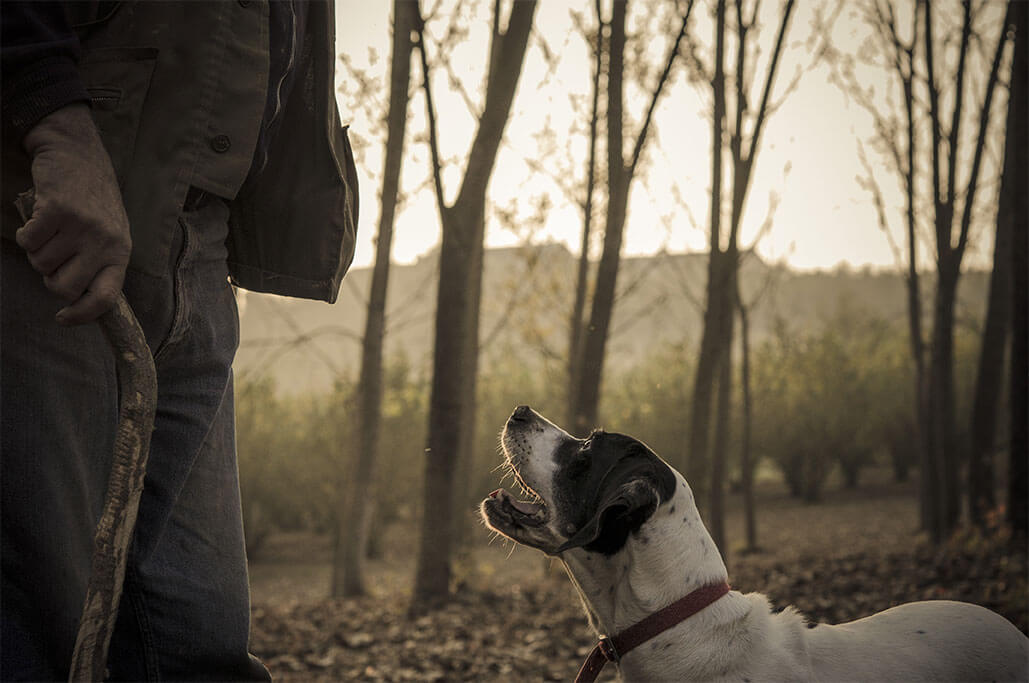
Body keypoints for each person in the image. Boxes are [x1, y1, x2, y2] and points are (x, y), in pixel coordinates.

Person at [0, 2, 359, 679]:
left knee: (197, 645)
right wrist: (55, 125)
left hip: (198, 243)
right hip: (46, 224)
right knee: (38, 632)